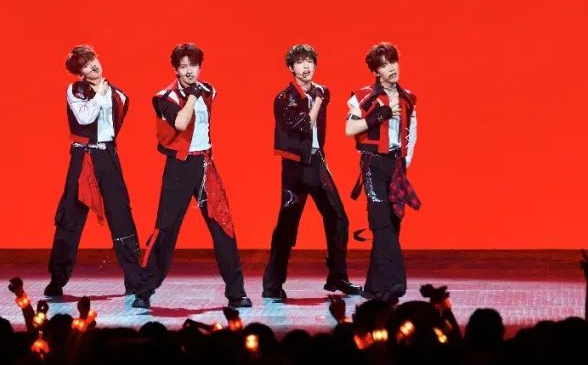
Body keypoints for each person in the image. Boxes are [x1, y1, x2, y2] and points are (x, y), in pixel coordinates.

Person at [133, 43, 250, 310]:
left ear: (200, 67)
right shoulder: (164, 98)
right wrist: (193, 97)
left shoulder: (209, 90)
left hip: (205, 165)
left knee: (223, 227)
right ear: (175, 69)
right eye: (183, 66)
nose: (189, 71)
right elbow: (180, 123)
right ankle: (144, 290)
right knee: (165, 230)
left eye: (193, 65)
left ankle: (236, 292)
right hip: (179, 168)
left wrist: (198, 94)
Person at [262, 44, 362, 301]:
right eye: (300, 62)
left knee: (338, 218)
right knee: (287, 226)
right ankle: (272, 285)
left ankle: (338, 277)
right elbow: (305, 125)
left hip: (317, 162)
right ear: (291, 67)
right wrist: (317, 100)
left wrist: (320, 97)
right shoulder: (284, 98)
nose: (306, 66)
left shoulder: (321, 91)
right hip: (295, 167)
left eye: (309, 61)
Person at [44, 45, 143, 298]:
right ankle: (57, 279)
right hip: (83, 156)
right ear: (80, 73)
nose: (93, 66)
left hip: (107, 156)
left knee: (121, 214)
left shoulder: (119, 95)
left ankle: (134, 279)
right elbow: (85, 118)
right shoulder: (76, 90)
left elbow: (114, 126)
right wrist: (99, 95)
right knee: (70, 217)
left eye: (92, 60)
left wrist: (104, 94)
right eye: (85, 65)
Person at [345, 41, 420, 304]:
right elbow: (350, 130)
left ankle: (375, 288)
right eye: (384, 65)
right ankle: (397, 281)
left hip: (396, 165)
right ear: (376, 71)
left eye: (393, 62)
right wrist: (381, 115)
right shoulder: (363, 96)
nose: (391, 68)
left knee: (393, 224)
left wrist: (406, 160)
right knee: (381, 223)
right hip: (373, 165)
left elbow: (412, 130)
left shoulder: (408, 97)